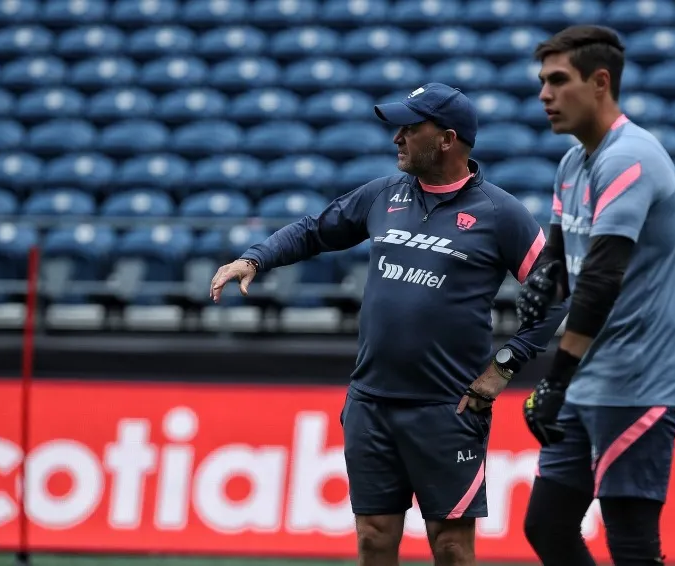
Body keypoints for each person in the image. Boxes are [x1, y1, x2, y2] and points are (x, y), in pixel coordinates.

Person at [210, 82, 568, 566]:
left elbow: (556, 296)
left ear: (446, 139)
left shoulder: (500, 213)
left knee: (451, 546)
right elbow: (315, 230)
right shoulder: (384, 194)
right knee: (374, 539)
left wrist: (503, 368)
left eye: (409, 127)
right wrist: (255, 258)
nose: (397, 137)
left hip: (448, 409)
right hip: (371, 403)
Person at [514, 25, 675, 566]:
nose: (544, 95)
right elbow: (561, 260)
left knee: (632, 542)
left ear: (600, 82)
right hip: (590, 375)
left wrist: (552, 381)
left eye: (557, 80)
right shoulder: (572, 163)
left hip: (641, 378)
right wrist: (544, 279)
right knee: (547, 526)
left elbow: (600, 279)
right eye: (542, 82)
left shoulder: (630, 157)